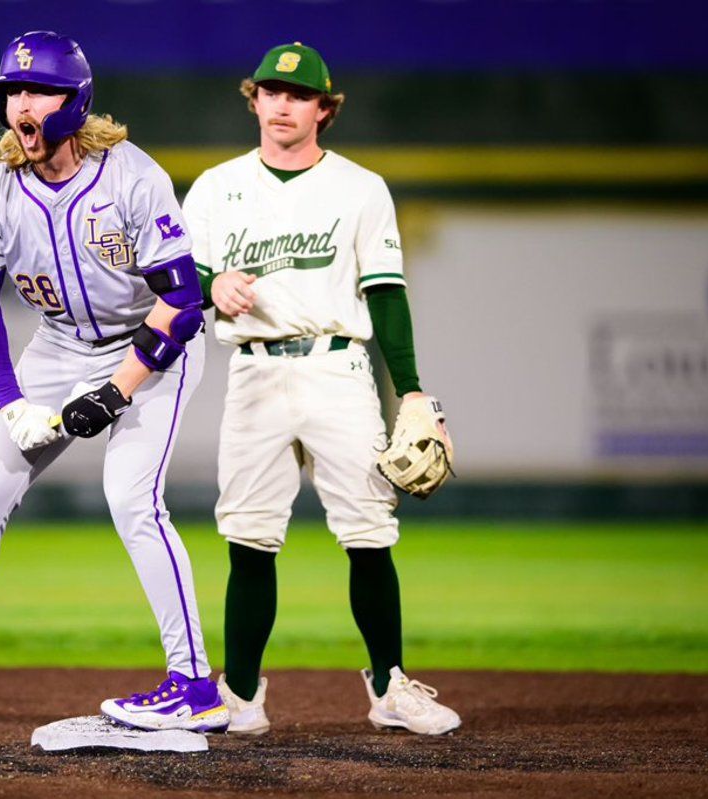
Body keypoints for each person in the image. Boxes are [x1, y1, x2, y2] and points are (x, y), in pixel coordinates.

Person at [0, 30, 227, 755]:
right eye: (13, 93)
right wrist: (11, 402)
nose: (22, 105)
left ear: (76, 102)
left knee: (132, 499)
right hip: (56, 350)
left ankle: (194, 686)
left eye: (38, 91)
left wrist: (119, 392)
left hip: (147, 351)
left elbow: (183, 302)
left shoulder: (131, 177)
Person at [181, 42, 461, 736]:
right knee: (249, 538)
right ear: (254, 100)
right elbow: (180, 280)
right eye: (271, 92)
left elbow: (387, 293)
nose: (283, 103)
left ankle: (390, 686)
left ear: (324, 109)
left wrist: (415, 392)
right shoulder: (216, 186)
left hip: (339, 370)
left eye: (299, 95)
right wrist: (212, 285)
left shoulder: (361, 188)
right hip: (254, 374)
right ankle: (240, 696)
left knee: (370, 533)